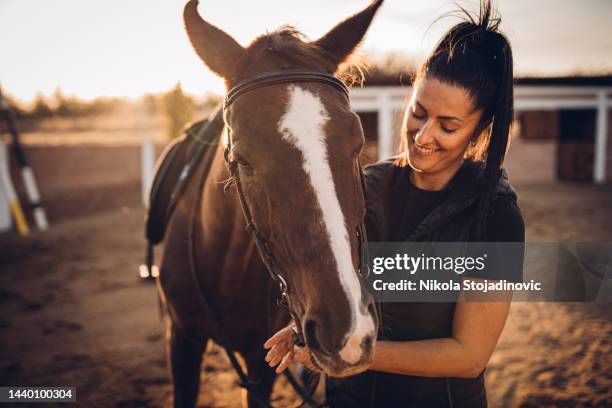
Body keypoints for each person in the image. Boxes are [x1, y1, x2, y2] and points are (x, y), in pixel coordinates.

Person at [264, 1, 525, 406]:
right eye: (419, 113)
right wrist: (309, 330)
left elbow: (469, 356)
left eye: (448, 126)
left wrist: (351, 355)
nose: (423, 137)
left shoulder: (497, 217)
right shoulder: (363, 187)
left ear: (480, 132)